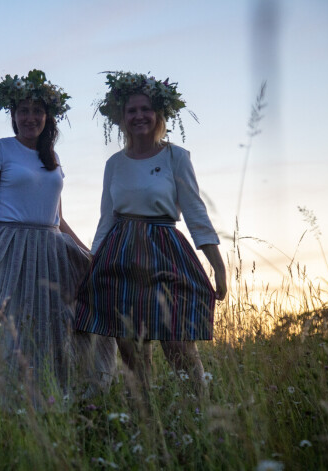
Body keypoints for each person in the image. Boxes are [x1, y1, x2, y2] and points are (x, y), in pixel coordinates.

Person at [0, 70, 116, 406]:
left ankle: (56, 398)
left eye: (37, 111)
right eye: (24, 111)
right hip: (9, 248)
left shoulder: (53, 158)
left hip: (50, 252)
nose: (31, 117)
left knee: (54, 328)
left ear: (48, 117)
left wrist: (87, 252)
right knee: (8, 327)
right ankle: (2, 399)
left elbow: (58, 218)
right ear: (14, 116)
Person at [75, 71, 227, 395]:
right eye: (131, 110)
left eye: (145, 109)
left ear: (158, 114)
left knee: (178, 345)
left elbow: (196, 211)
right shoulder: (114, 164)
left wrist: (218, 265)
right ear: (122, 117)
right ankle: (145, 421)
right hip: (120, 255)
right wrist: (92, 262)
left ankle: (197, 415)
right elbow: (106, 218)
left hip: (165, 250)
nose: (139, 116)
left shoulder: (176, 157)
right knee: (132, 352)